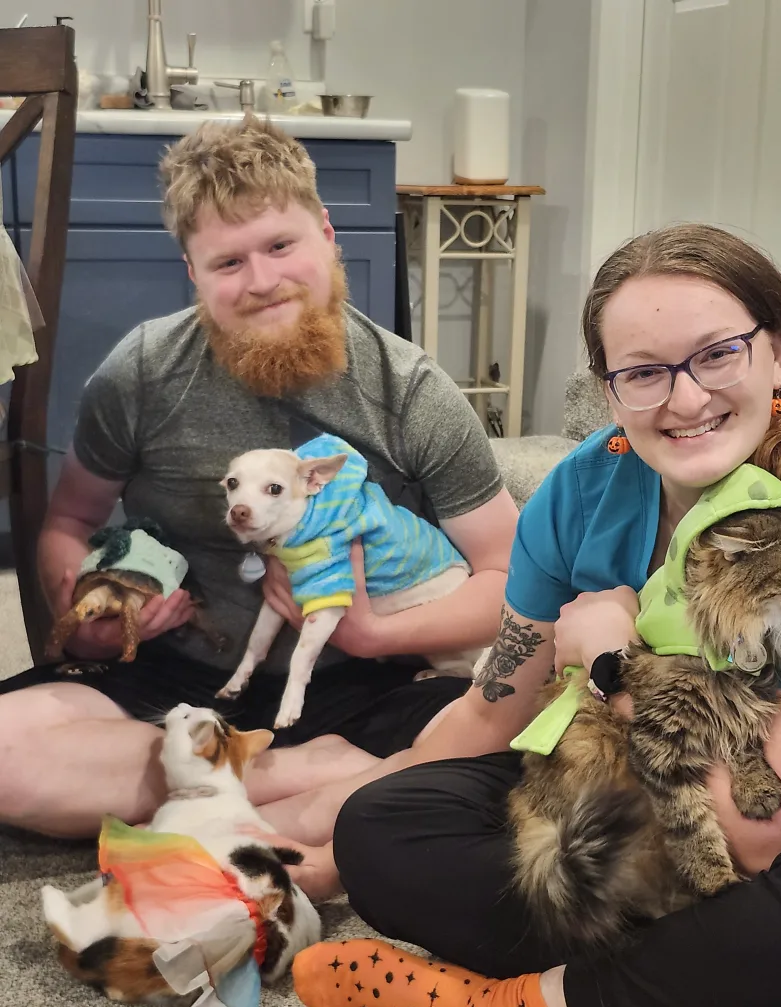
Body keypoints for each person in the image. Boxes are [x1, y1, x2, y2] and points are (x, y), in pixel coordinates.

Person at [289, 223, 781, 1007]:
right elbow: (493, 710)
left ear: (780, 353)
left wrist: (613, 662)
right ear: (608, 392)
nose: (684, 400)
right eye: (642, 371)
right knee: (385, 829)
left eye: (718, 354)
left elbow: (764, 832)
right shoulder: (577, 490)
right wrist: (337, 840)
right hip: (633, 802)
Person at [0, 116, 517, 867]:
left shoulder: (409, 390)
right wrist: (83, 625)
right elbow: (69, 519)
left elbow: (510, 579)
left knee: (512, 749)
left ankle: (208, 790)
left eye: (282, 245)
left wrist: (371, 634)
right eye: (228, 262)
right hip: (177, 678)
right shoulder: (141, 372)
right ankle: (292, 775)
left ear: (328, 234)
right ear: (192, 271)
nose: (263, 281)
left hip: (371, 681)